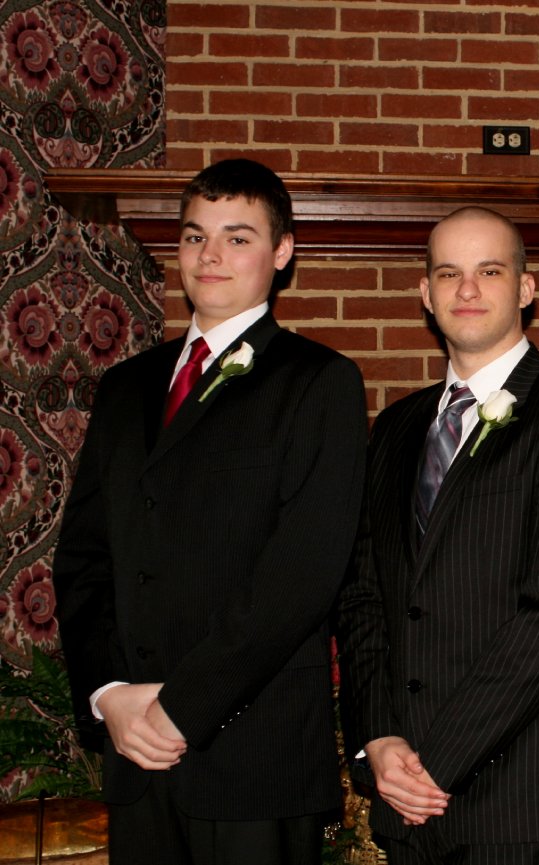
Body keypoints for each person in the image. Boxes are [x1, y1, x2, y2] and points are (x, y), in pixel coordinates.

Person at [52, 158, 367, 865]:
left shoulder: (319, 382)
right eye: (195, 236)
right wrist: (109, 694)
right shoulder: (125, 387)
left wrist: (182, 707)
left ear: (282, 252)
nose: (210, 255)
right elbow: (84, 558)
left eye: (237, 237)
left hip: (253, 757)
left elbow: (302, 576)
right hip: (137, 752)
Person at [336, 206, 539, 864]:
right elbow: (363, 595)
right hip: (405, 800)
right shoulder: (396, 427)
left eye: (489, 271)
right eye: (449, 273)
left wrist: (436, 763)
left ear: (526, 288)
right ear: (426, 293)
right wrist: (378, 739)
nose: (466, 289)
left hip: (522, 804)